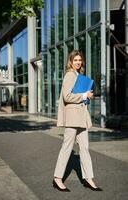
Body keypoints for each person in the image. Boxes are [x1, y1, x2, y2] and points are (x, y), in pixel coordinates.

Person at [53, 50, 102, 192]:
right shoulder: (69, 75)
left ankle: (88, 178)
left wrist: (88, 96)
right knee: (67, 147)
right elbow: (67, 97)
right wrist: (83, 95)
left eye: (80, 60)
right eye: (75, 60)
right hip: (72, 117)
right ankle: (57, 178)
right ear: (71, 61)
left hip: (81, 116)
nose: (78, 62)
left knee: (85, 148)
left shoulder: (80, 76)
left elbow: (78, 96)